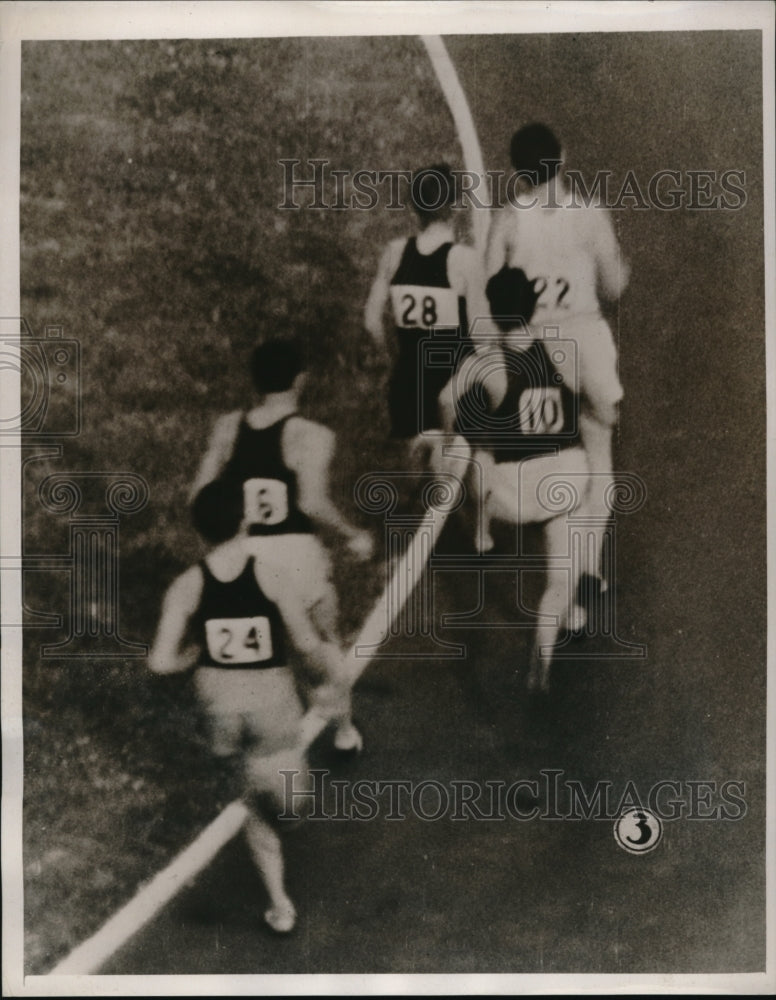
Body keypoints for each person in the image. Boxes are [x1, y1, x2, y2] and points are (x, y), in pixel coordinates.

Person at [149, 477, 349, 933]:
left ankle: (280, 905)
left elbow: (160, 662)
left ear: (198, 532)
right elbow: (304, 641)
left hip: (217, 701)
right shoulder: (271, 576)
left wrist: (194, 655)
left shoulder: (186, 586)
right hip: (269, 698)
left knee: (251, 797)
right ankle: (273, 809)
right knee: (290, 808)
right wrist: (331, 677)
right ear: (244, 522)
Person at [191, 338, 371, 750]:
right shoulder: (311, 434)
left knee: (264, 646)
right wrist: (352, 534)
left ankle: (249, 731)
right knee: (324, 641)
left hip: (242, 550)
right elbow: (311, 501)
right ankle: (344, 731)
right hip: (295, 553)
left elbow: (199, 492)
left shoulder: (226, 428)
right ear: (301, 380)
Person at [485, 123, 629, 593]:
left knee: (564, 457)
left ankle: (566, 582)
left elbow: (490, 291)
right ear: (563, 157)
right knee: (599, 455)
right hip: (585, 339)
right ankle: (587, 566)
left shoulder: (507, 219)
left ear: (518, 171)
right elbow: (615, 286)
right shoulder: (589, 214)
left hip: (537, 347)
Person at [437, 264, 592, 692]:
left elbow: (444, 400)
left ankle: (482, 534)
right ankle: (546, 647)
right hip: (564, 479)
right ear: (533, 304)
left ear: (493, 310)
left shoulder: (487, 362)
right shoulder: (564, 350)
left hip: (512, 494)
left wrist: (452, 438)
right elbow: (584, 398)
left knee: (478, 447)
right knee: (559, 578)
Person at [364, 163, 505, 450]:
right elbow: (483, 335)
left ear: (414, 208)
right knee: (466, 476)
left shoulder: (395, 252)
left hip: (408, 386)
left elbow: (371, 321)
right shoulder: (465, 260)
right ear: (455, 207)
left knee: (421, 483)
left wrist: (393, 359)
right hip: (454, 390)